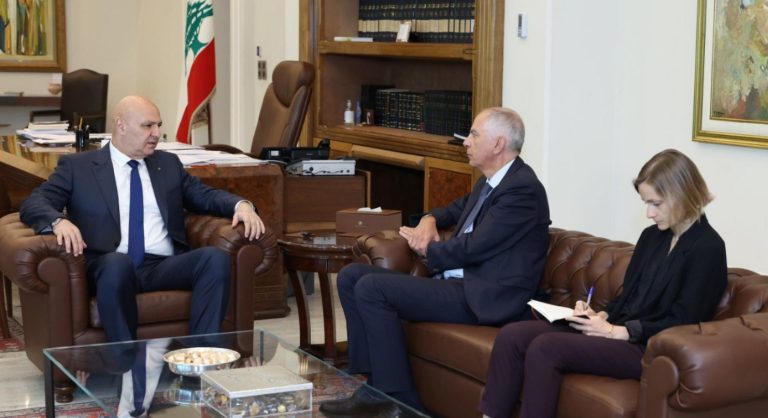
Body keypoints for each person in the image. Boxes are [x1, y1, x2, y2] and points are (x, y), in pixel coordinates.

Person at [320, 107, 551, 416]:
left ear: (498, 144)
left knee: (373, 288)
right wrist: (429, 219)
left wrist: (428, 250)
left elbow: (476, 246)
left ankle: (400, 401)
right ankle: (373, 386)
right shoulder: (491, 182)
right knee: (351, 276)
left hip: (484, 295)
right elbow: (454, 210)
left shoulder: (522, 189)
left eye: (474, 134)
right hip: (460, 284)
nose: (466, 141)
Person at [479, 149, 728, 418]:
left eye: (655, 203)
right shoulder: (652, 237)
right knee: (512, 336)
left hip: (647, 349)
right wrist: (601, 315)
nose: (649, 213)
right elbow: (629, 296)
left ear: (681, 194)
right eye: (646, 203)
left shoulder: (708, 248)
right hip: (617, 330)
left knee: (545, 348)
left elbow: (684, 322)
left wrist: (619, 332)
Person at [19, 95, 265, 345]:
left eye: (158, 125)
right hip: (108, 264)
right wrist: (58, 221)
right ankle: (123, 357)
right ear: (121, 126)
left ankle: (200, 356)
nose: (156, 133)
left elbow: (203, 195)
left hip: (161, 265)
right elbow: (34, 202)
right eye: (148, 126)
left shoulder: (167, 164)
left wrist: (241, 205)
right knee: (117, 264)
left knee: (214, 259)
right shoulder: (78, 167)